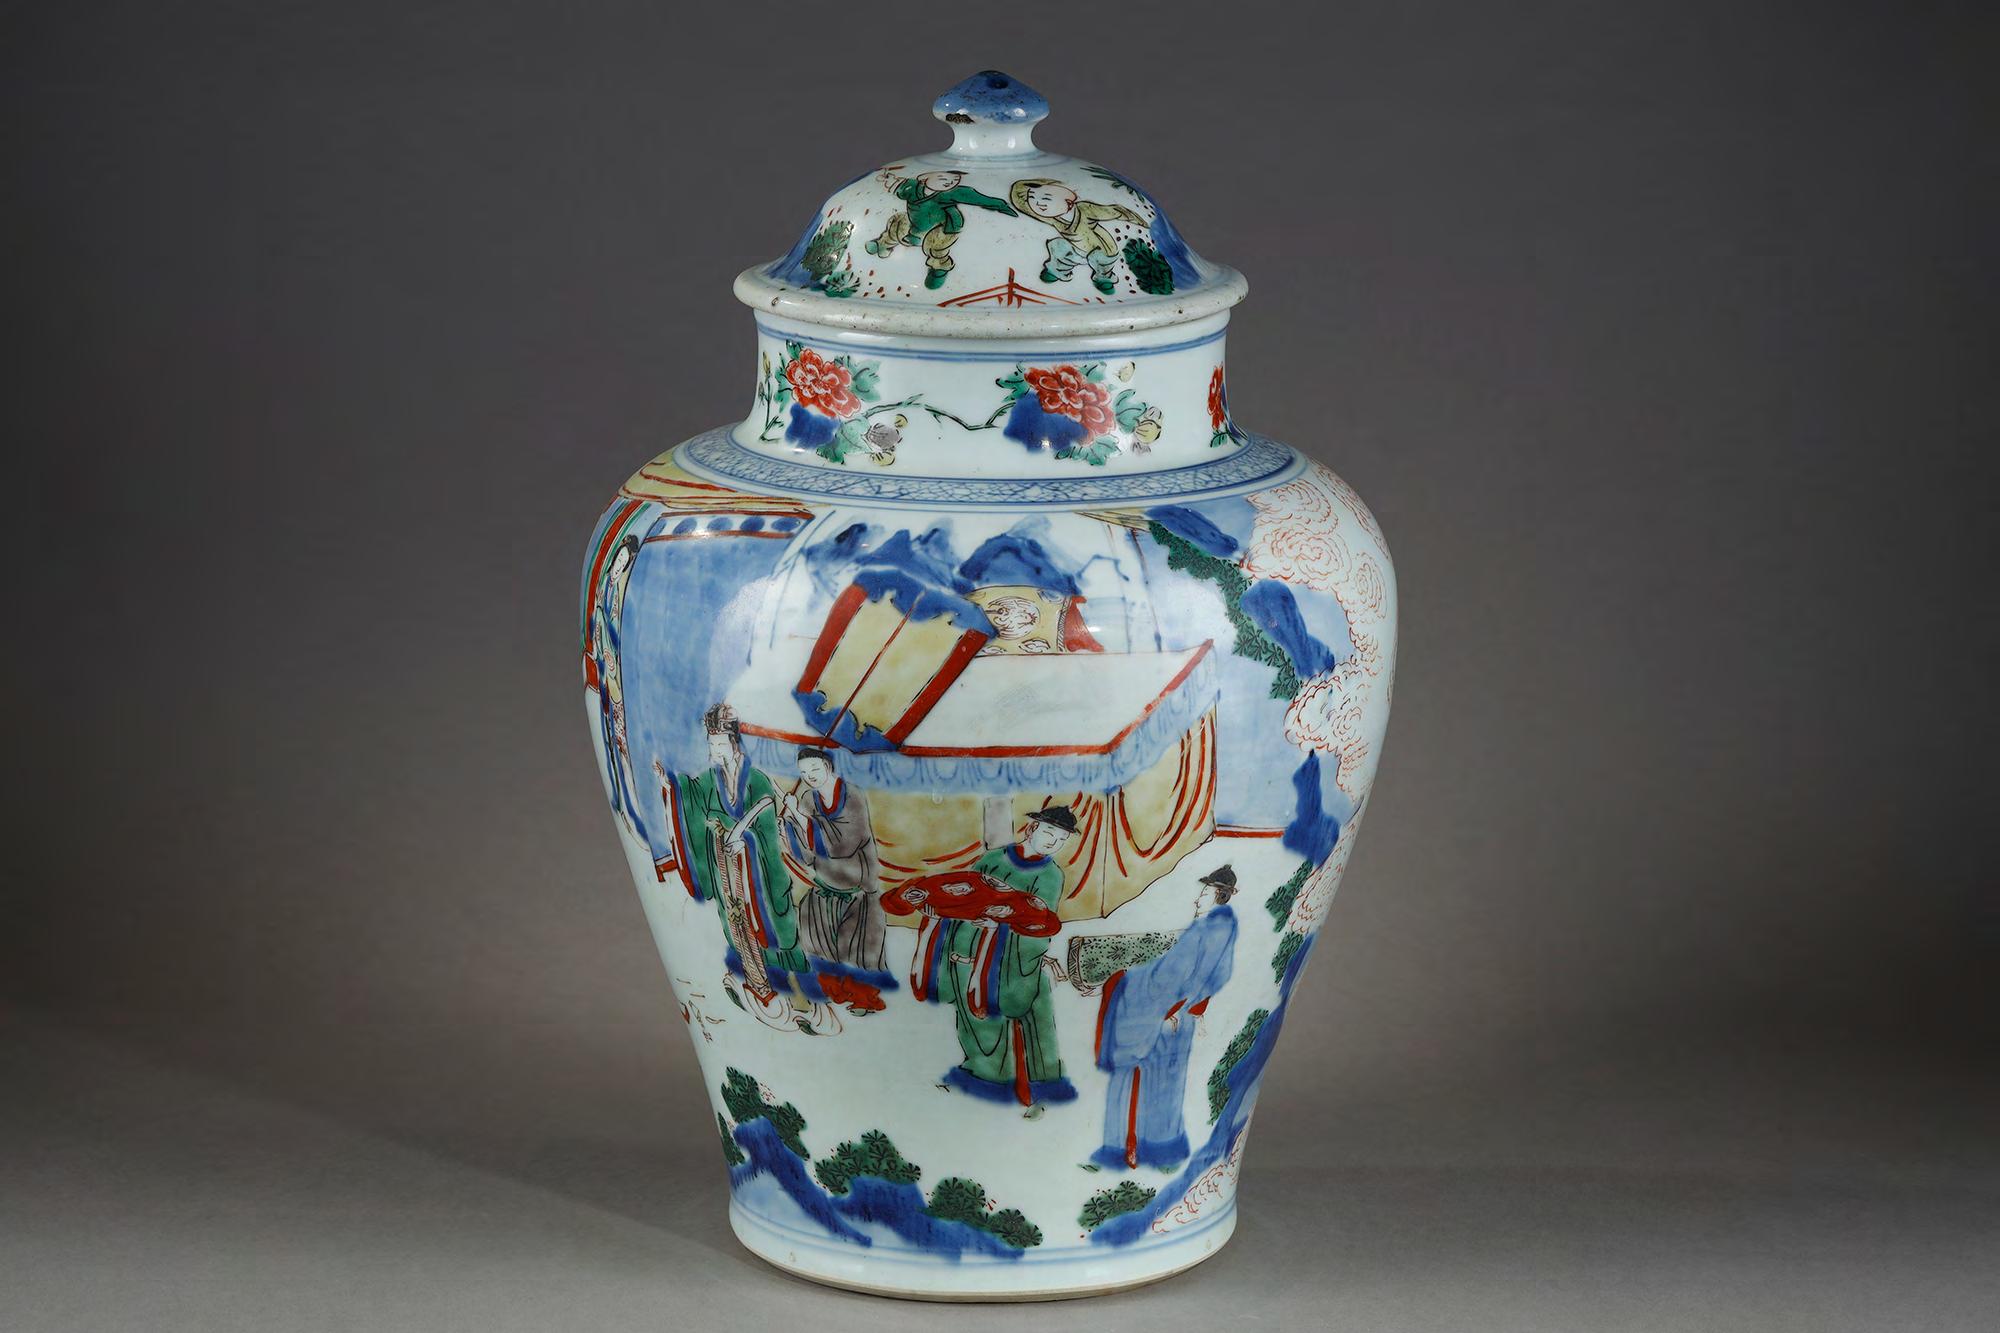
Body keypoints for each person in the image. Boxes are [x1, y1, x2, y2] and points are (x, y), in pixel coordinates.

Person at [655, 705, 827, 1028]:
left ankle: (804, 996)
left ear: (733, 743)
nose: (713, 750)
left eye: (718, 743)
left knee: (776, 927)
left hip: (758, 870)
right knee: (738, 925)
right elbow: (691, 798)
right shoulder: (710, 780)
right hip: (726, 867)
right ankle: (760, 986)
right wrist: (670, 785)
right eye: (711, 744)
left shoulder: (757, 779)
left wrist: (743, 834)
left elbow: (765, 809)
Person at [910, 806, 1079, 1114]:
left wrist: (999, 927)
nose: (1053, 843)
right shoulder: (992, 860)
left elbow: (1039, 921)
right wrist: (938, 914)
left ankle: (1016, 1091)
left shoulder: (1051, 875)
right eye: (1049, 834)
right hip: (966, 949)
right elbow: (963, 895)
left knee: (1002, 1023)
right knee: (970, 1020)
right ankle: (976, 1075)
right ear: (1032, 829)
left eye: (1061, 840)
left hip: (1007, 963)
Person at [1084, 864, 1239, 1170]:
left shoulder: (1208, 931)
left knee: (1142, 1076)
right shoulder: (1217, 928)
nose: (1198, 897)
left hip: (1166, 1016)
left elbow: (1177, 977)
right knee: (1162, 1082)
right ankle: (1151, 1147)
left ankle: (1130, 1148)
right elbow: (1206, 976)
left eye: (1205, 892)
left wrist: (1130, 984)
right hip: (1177, 1013)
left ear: (1219, 895)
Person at [781, 747, 892, 1014]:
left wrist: (800, 818)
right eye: (804, 772)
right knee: (812, 933)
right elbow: (808, 853)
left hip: (858, 890)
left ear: (828, 767)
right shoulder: (808, 798)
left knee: (858, 949)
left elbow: (844, 843)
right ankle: (831, 995)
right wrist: (787, 826)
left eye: (815, 769)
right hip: (825, 885)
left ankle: (864, 1000)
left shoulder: (852, 796)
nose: (810, 776)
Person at [865, 168, 1016, 291]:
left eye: (954, 181)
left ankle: (939, 269)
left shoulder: (951, 193)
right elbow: (898, 186)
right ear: (924, 179)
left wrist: (1001, 205)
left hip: (945, 227)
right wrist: (889, 180)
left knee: (936, 245)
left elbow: (976, 198)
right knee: (898, 222)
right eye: (943, 179)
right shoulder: (912, 187)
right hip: (916, 223)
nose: (949, 183)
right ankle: (882, 245)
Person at [589, 536, 647, 845]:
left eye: (624, 565)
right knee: (616, 744)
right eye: (619, 561)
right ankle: (626, 804)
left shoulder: (623, 597)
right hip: (607, 679)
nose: (619, 568)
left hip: (617, 682)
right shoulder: (604, 593)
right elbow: (599, 638)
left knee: (625, 746)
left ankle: (634, 810)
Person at [1007, 179, 1148, 296]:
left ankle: (1103, 279)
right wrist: (1020, 188)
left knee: (1101, 261)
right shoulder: (1052, 218)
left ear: (1068, 201)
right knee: (1059, 247)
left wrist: (1140, 222)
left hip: (1102, 249)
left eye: (1046, 198)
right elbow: (1023, 205)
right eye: (1032, 198)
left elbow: (1114, 212)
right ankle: (1056, 271)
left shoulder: (1084, 210)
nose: (1038, 203)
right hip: (1077, 249)